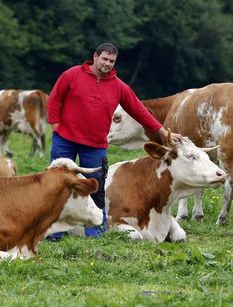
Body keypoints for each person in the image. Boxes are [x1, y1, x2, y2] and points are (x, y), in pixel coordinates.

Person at [46, 42, 180, 241]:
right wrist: (55, 124)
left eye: (112, 61)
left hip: (95, 145)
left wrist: (161, 131)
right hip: (65, 139)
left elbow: (139, 111)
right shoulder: (72, 74)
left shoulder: (119, 86)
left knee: (95, 187)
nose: (107, 64)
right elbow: (55, 98)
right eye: (104, 59)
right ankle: (54, 232)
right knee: (59, 183)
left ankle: (95, 232)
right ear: (95, 57)